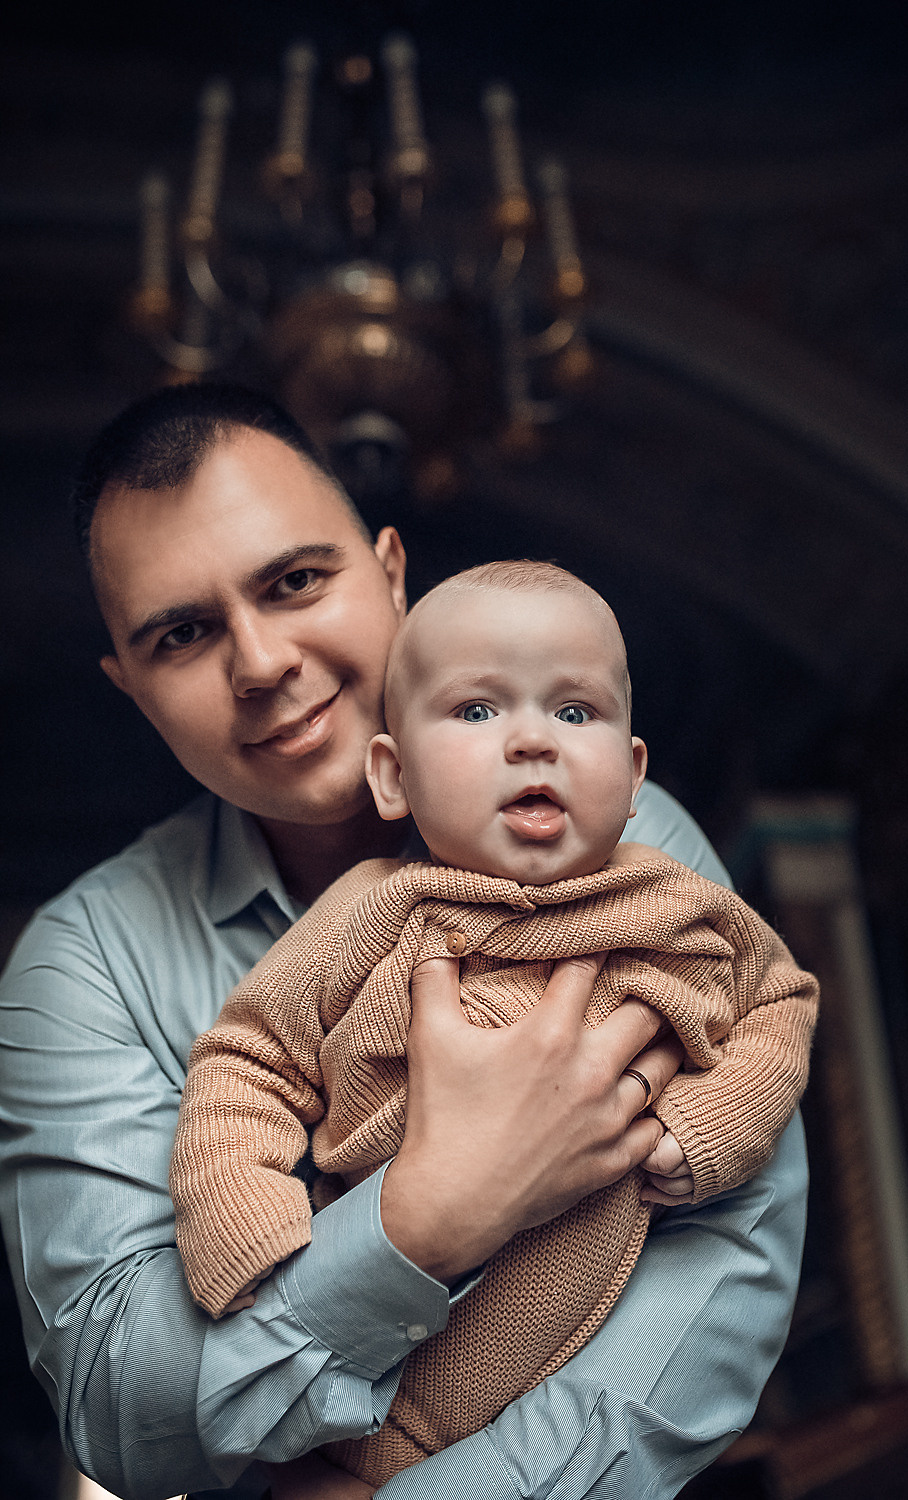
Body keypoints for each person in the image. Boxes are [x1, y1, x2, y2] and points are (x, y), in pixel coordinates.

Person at [0, 383, 809, 1500]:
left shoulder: (615, 833)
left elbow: (729, 1262)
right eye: (182, 634)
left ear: (389, 571)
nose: (260, 661)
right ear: (131, 688)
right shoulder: (80, 963)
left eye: (294, 582)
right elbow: (119, 1403)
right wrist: (423, 1220)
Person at [170, 560, 818, 1491]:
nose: (532, 743)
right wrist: (252, 1231)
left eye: (575, 712)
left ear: (634, 776)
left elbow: (780, 1005)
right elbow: (247, 1062)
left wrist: (713, 1121)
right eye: (478, 711)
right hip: (364, 1391)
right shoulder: (375, 914)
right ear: (392, 777)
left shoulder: (675, 906)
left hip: (557, 1407)